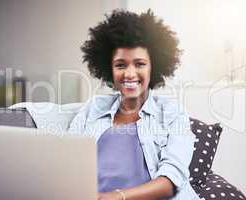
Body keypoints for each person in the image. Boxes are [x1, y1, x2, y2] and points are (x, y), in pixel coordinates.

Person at [68, 9, 200, 200]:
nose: (129, 74)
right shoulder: (94, 107)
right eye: (121, 65)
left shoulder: (172, 112)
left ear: (153, 67)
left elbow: (170, 181)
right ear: (109, 69)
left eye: (139, 64)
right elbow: (68, 160)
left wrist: (116, 197)